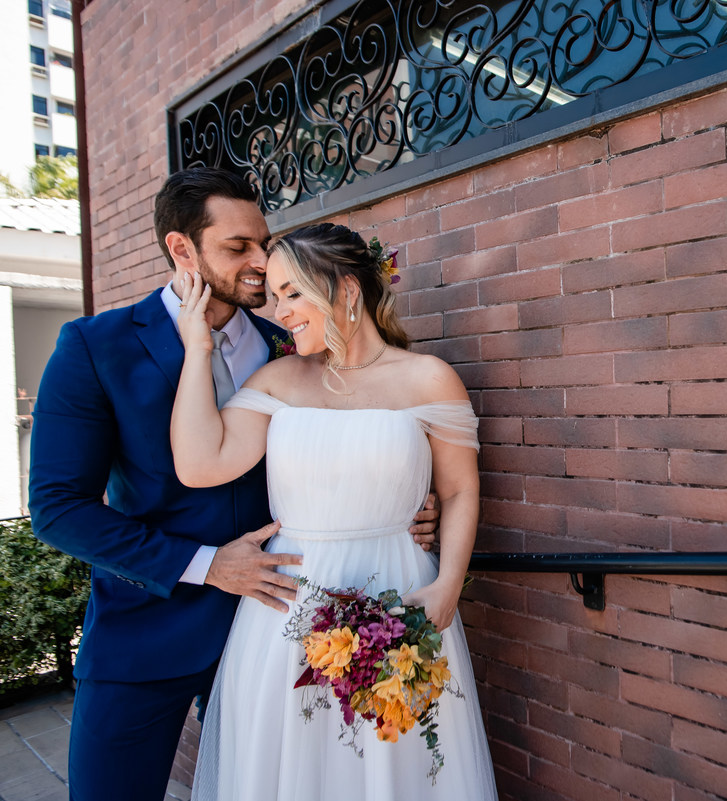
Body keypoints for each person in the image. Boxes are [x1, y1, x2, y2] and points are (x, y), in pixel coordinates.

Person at [27, 168, 440, 801]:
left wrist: (410, 502)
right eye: (237, 247)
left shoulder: (294, 344)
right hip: (146, 633)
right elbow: (58, 509)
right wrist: (205, 565)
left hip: (283, 628)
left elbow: (357, 441)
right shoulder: (93, 346)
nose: (260, 262)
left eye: (263, 243)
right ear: (181, 249)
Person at [170, 223, 498, 800]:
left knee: (396, 770)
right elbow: (200, 465)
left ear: (347, 290)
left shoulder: (428, 378)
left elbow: (459, 491)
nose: (280, 310)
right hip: (288, 611)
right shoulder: (278, 379)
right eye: (274, 295)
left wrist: (449, 584)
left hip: (402, 598)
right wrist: (197, 347)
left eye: (293, 293)